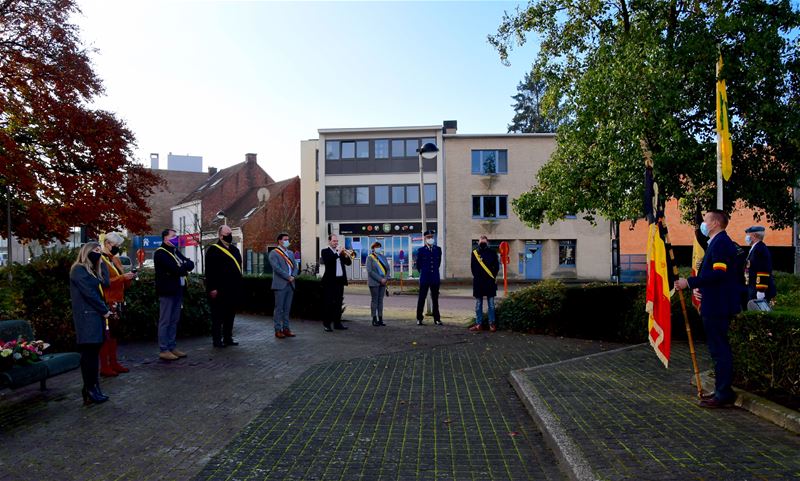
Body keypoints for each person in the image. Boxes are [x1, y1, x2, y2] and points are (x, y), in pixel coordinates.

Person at [674, 209, 742, 408]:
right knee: (717, 349)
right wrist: (701, 289)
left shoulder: (720, 243)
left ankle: (723, 393)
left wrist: (690, 282)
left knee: (719, 350)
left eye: (705, 220)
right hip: (715, 302)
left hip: (718, 307)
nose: (703, 224)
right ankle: (722, 389)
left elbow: (719, 274)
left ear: (714, 223)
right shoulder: (717, 243)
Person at [69, 242, 112, 405]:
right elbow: (90, 294)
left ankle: (93, 388)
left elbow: (106, 283)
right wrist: (104, 310)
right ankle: (90, 389)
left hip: (95, 316)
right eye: (95, 251)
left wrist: (102, 263)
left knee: (93, 355)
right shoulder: (79, 270)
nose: (98, 253)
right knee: (89, 356)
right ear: (86, 252)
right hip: (87, 317)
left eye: (100, 251)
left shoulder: (92, 270)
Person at [98, 232, 136, 377]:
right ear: (107, 243)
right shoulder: (100, 260)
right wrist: (122, 278)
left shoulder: (115, 259)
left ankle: (113, 362)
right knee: (107, 334)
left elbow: (121, 281)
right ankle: (105, 365)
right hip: (107, 300)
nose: (117, 248)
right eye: (116, 245)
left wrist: (128, 278)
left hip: (117, 299)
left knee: (114, 334)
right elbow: (103, 282)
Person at [154, 228, 195, 361]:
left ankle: (172, 346)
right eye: (173, 236)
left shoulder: (175, 251)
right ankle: (164, 349)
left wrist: (183, 266)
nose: (176, 238)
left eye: (176, 236)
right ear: (165, 238)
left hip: (178, 290)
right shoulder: (161, 253)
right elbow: (176, 269)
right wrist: (183, 267)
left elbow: (190, 264)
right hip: (167, 291)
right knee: (165, 320)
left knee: (174, 320)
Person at [205, 225, 243, 347]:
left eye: (231, 233)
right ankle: (217, 340)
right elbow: (210, 272)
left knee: (230, 315)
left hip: (233, 289)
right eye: (228, 233)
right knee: (217, 316)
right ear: (220, 235)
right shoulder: (213, 250)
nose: (230, 236)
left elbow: (238, 269)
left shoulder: (235, 250)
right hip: (219, 289)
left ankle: (228, 338)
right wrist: (212, 288)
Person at [269, 232, 298, 338]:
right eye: (285, 239)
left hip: (291, 284)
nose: (287, 241)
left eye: (288, 239)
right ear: (280, 241)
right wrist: (288, 277)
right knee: (279, 309)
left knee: (287, 309)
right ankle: (278, 330)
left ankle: (286, 329)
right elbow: (276, 268)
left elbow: (295, 266)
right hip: (280, 284)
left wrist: (293, 276)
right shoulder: (274, 253)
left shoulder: (290, 253)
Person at [320, 234, 351, 332]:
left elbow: (348, 263)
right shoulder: (325, 251)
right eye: (334, 241)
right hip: (329, 282)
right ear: (329, 241)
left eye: (337, 241)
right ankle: (327, 324)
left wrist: (346, 254)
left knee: (338, 304)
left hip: (339, 281)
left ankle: (337, 323)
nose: (336, 243)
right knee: (328, 304)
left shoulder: (340, 253)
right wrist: (338, 253)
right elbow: (329, 261)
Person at [469, 235, 499, 332]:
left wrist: (492, 277)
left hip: (490, 282)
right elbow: (472, 267)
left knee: (491, 304)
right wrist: (478, 277)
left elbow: (496, 267)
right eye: (481, 242)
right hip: (478, 282)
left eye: (484, 242)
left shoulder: (492, 253)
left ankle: (492, 324)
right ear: (478, 243)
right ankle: (479, 324)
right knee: (478, 304)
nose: (482, 243)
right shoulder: (474, 253)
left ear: (487, 243)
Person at [415, 230, 442, 326]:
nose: (430, 239)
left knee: (435, 299)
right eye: (428, 237)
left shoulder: (438, 249)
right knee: (422, 298)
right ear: (425, 238)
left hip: (435, 277)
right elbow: (418, 265)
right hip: (425, 277)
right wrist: (424, 272)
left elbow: (438, 263)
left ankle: (437, 319)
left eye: (432, 237)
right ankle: (419, 318)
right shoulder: (421, 251)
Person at [744, 225, 776, 304]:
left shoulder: (760, 249)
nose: (747, 237)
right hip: (753, 286)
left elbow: (763, 270)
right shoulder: (756, 248)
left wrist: (761, 290)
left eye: (748, 235)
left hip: (758, 289)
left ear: (754, 235)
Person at [365, 241, 390, 327]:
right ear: (373, 248)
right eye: (376, 247)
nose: (378, 248)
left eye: (379, 247)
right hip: (374, 282)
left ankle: (380, 319)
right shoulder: (370, 258)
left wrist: (386, 278)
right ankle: (374, 319)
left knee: (380, 301)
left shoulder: (383, 257)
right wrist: (380, 279)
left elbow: (388, 269)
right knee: (374, 300)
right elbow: (370, 271)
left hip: (383, 282)